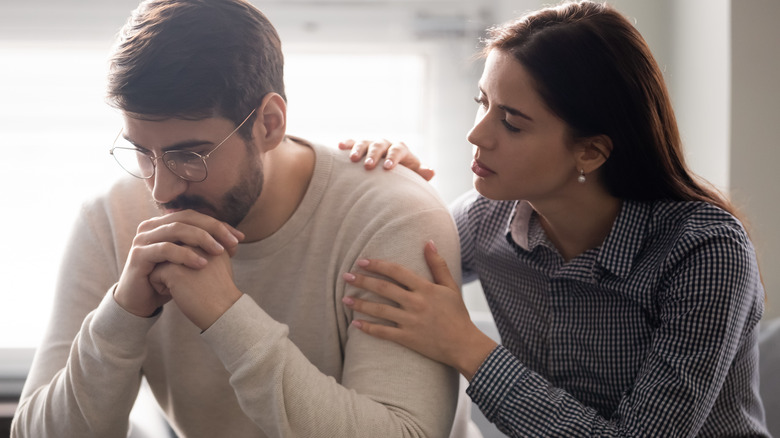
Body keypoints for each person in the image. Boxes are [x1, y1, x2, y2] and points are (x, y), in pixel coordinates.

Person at [10, 0, 475, 436]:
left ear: (269, 123)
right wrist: (123, 314)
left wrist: (227, 317)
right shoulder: (110, 219)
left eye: (190, 155)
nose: (160, 191)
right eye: (142, 152)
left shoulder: (393, 217)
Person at [339, 1, 769, 436]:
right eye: (482, 102)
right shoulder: (485, 219)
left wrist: (464, 343)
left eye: (511, 123)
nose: (476, 134)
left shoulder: (706, 252)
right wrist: (397, 189)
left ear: (590, 152)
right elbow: (388, 264)